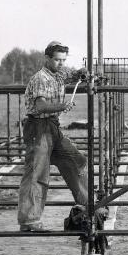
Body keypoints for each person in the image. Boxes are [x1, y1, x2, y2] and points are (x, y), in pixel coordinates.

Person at [17, 41, 89, 232]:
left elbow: (72, 75)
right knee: (37, 173)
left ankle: (89, 205)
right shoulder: (41, 78)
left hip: (52, 127)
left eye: (63, 60)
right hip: (38, 127)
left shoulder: (58, 74)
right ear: (47, 58)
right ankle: (29, 221)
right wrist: (62, 106)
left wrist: (82, 72)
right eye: (57, 60)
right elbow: (41, 106)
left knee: (77, 161)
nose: (60, 64)